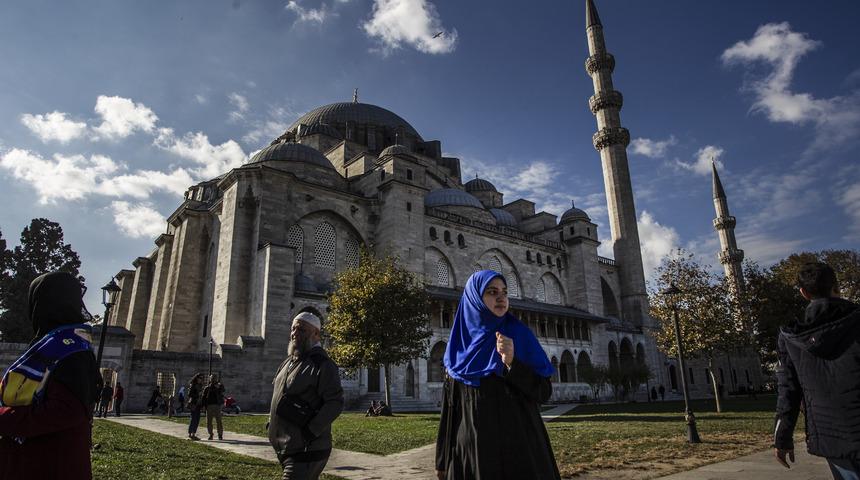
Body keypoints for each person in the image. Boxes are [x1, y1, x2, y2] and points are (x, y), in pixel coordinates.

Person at [435, 270, 560, 480]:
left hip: (519, 452)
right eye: (492, 292)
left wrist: (512, 363)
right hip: (471, 455)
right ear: (475, 298)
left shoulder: (519, 335)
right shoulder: (458, 349)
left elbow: (543, 392)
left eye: (504, 292)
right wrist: (441, 460)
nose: (501, 298)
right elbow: (450, 410)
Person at [0, 271, 100, 479]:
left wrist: (5, 418)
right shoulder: (52, 343)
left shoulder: (71, 349)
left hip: (51, 461)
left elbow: (66, 411)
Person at [773, 262, 860, 479]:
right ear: (836, 287)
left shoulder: (791, 338)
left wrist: (782, 437)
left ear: (803, 293)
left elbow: (788, 391)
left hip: (832, 435)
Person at [268, 311, 344, 480]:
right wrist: (272, 423)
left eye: (301, 330)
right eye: (293, 329)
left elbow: (335, 403)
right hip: (287, 446)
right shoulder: (288, 362)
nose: (295, 333)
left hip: (308, 449)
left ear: (316, 334)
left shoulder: (322, 364)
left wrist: (309, 432)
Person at [202, 374, 225, 440]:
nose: (213, 379)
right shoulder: (207, 388)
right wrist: (204, 406)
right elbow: (204, 397)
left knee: (219, 421)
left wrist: (218, 387)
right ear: (210, 379)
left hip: (217, 405)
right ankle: (211, 434)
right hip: (209, 406)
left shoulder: (219, 386)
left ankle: (220, 434)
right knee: (209, 421)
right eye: (212, 378)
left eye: (214, 378)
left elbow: (223, 390)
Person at [186, 373, 204, 441]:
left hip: (198, 404)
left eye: (202, 378)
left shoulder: (200, 385)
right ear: (197, 378)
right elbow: (189, 394)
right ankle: (190, 433)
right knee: (193, 418)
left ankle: (193, 433)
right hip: (193, 404)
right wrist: (198, 394)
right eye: (200, 378)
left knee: (197, 419)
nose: (201, 379)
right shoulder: (193, 385)